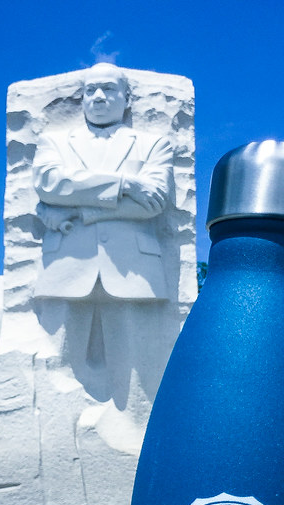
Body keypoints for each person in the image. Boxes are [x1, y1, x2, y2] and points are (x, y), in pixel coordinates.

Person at [30, 62, 176, 408]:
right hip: (67, 264)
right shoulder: (54, 141)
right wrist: (125, 183)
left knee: (140, 380)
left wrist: (84, 211)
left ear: (127, 99)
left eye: (109, 89)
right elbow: (51, 185)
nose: (98, 96)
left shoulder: (153, 145)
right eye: (90, 89)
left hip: (134, 267)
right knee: (59, 374)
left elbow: (153, 202)